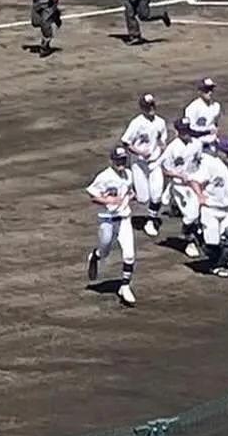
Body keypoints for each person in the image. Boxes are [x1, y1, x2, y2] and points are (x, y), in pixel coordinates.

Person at [85, 145, 138, 306]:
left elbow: (129, 191)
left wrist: (131, 195)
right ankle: (95, 256)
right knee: (105, 251)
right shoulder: (104, 176)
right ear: (112, 161)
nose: (121, 163)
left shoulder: (129, 174)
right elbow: (93, 196)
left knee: (129, 254)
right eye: (118, 160)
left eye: (123, 160)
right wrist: (108, 200)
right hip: (107, 220)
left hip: (124, 219)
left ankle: (125, 285)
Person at [193, 136, 228, 277]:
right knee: (211, 245)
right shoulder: (211, 165)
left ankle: (219, 266)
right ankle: (198, 233)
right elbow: (195, 181)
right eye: (227, 153)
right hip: (210, 209)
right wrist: (200, 196)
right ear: (219, 152)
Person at [120, 93, 169, 237]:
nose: (151, 109)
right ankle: (131, 190)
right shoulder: (137, 123)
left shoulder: (160, 122)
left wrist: (162, 144)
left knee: (157, 195)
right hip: (139, 164)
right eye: (148, 107)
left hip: (155, 162)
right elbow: (126, 142)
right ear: (142, 108)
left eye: (152, 105)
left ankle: (151, 221)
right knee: (143, 198)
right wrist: (139, 151)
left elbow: (163, 138)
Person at [162, 118, 205, 259]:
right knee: (191, 215)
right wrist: (176, 174)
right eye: (182, 130)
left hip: (195, 184)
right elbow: (164, 170)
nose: (185, 132)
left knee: (201, 211)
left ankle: (195, 233)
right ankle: (189, 240)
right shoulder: (172, 148)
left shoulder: (197, 144)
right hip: (179, 186)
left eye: (187, 129)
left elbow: (199, 162)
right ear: (177, 131)